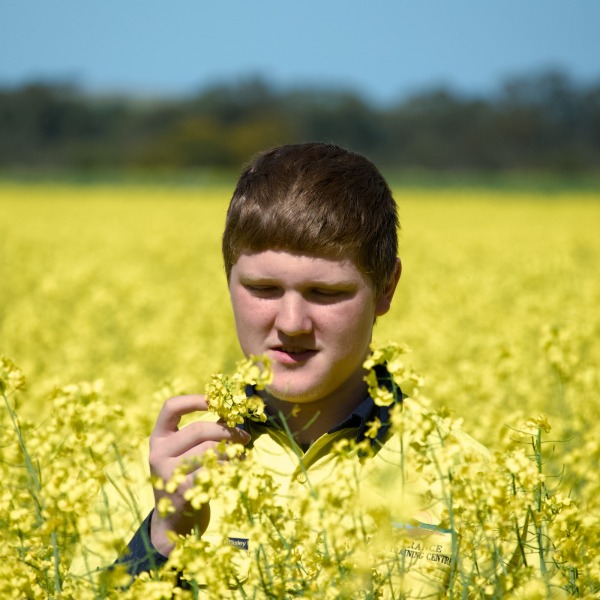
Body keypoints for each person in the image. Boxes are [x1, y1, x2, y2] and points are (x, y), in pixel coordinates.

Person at [89, 142, 493, 596]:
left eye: (326, 292)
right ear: (228, 281)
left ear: (386, 287)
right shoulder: (152, 472)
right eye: (263, 288)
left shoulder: (471, 479)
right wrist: (161, 537)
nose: (291, 324)